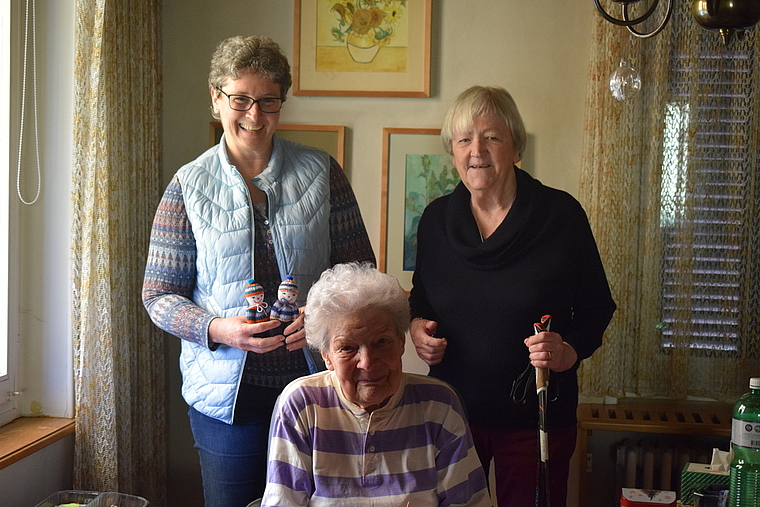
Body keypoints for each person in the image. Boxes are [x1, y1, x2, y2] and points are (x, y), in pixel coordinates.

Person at [142, 35, 375, 507]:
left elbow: (362, 273)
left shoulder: (322, 171)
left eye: (268, 101)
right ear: (216, 98)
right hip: (227, 400)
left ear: (282, 103)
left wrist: (319, 316)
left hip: (318, 385)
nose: (254, 114)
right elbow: (158, 296)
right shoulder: (186, 185)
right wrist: (218, 328)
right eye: (240, 99)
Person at [408, 86, 616, 507]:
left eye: (492, 137)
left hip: (535, 417)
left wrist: (568, 351)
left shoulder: (560, 216)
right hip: (453, 415)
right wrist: (417, 328)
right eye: (464, 139)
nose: (476, 150)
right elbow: (423, 298)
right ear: (453, 153)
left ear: (516, 147)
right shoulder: (434, 220)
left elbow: (597, 307)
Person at [261, 262, 492, 507]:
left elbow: (469, 503)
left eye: (381, 342)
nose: (368, 364)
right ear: (326, 356)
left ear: (402, 342)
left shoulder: (439, 405)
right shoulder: (302, 404)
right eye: (348, 348)